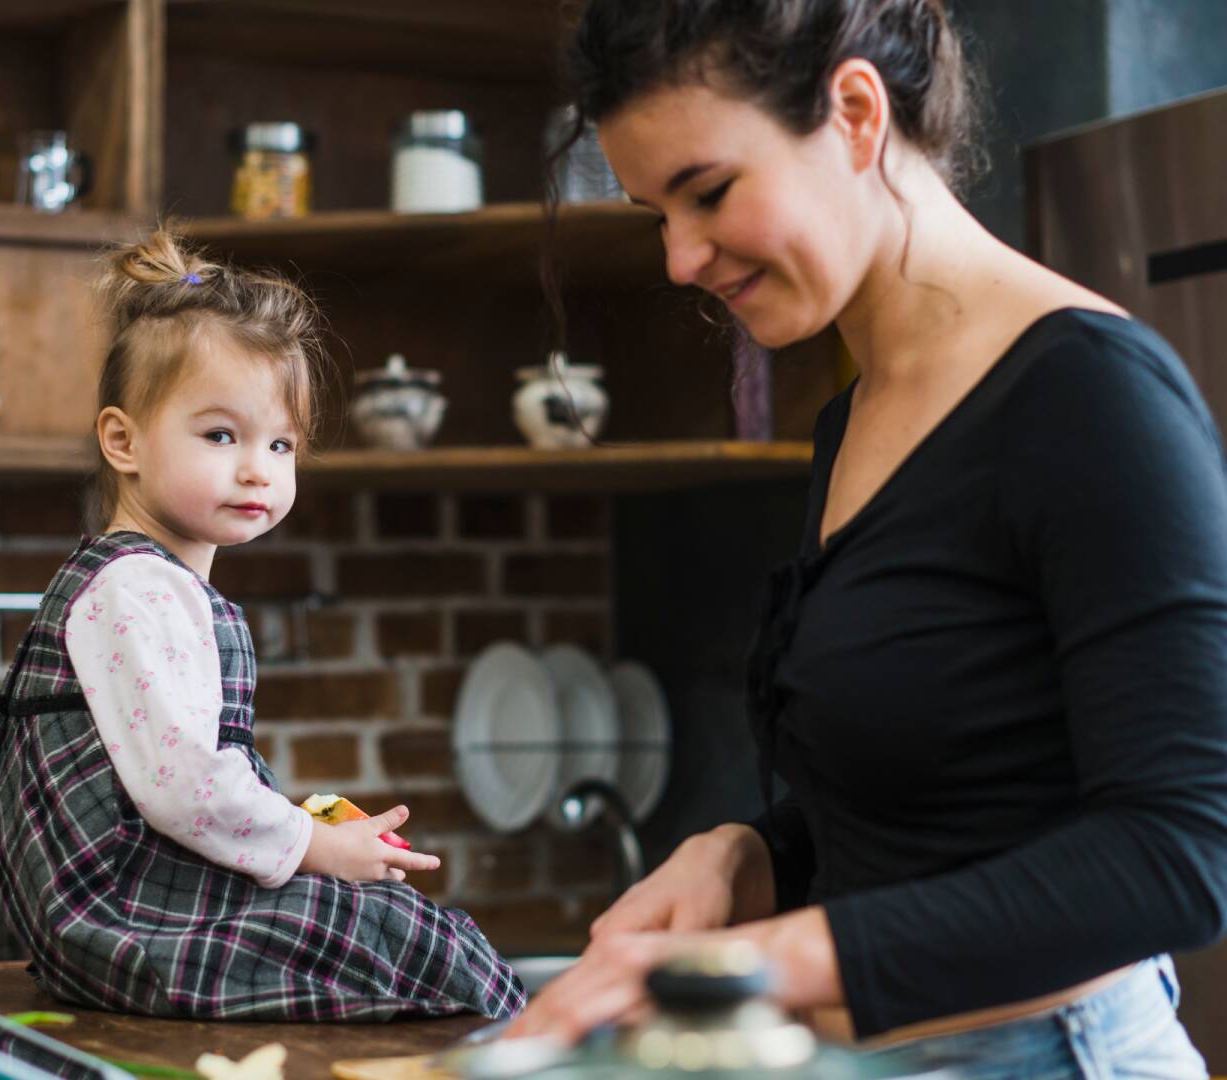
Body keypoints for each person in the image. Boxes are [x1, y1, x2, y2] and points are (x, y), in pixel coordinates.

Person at [509, 0, 1227, 1073]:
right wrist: (746, 853)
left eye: (707, 194)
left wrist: (766, 963)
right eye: (657, 211)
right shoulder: (856, 416)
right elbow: (942, 793)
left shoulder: (1087, 395)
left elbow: (1183, 851)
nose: (678, 258)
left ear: (854, 112)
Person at [0, 230, 524, 1021]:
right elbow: (183, 785)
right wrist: (315, 846)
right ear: (122, 440)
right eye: (221, 435)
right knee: (419, 943)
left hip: (136, 907)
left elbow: (178, 780)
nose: (258, 469)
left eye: (281, 443)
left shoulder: (158, 585)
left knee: (419, 939)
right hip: (122, 917)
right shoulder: (135, 589)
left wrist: (297, 826)